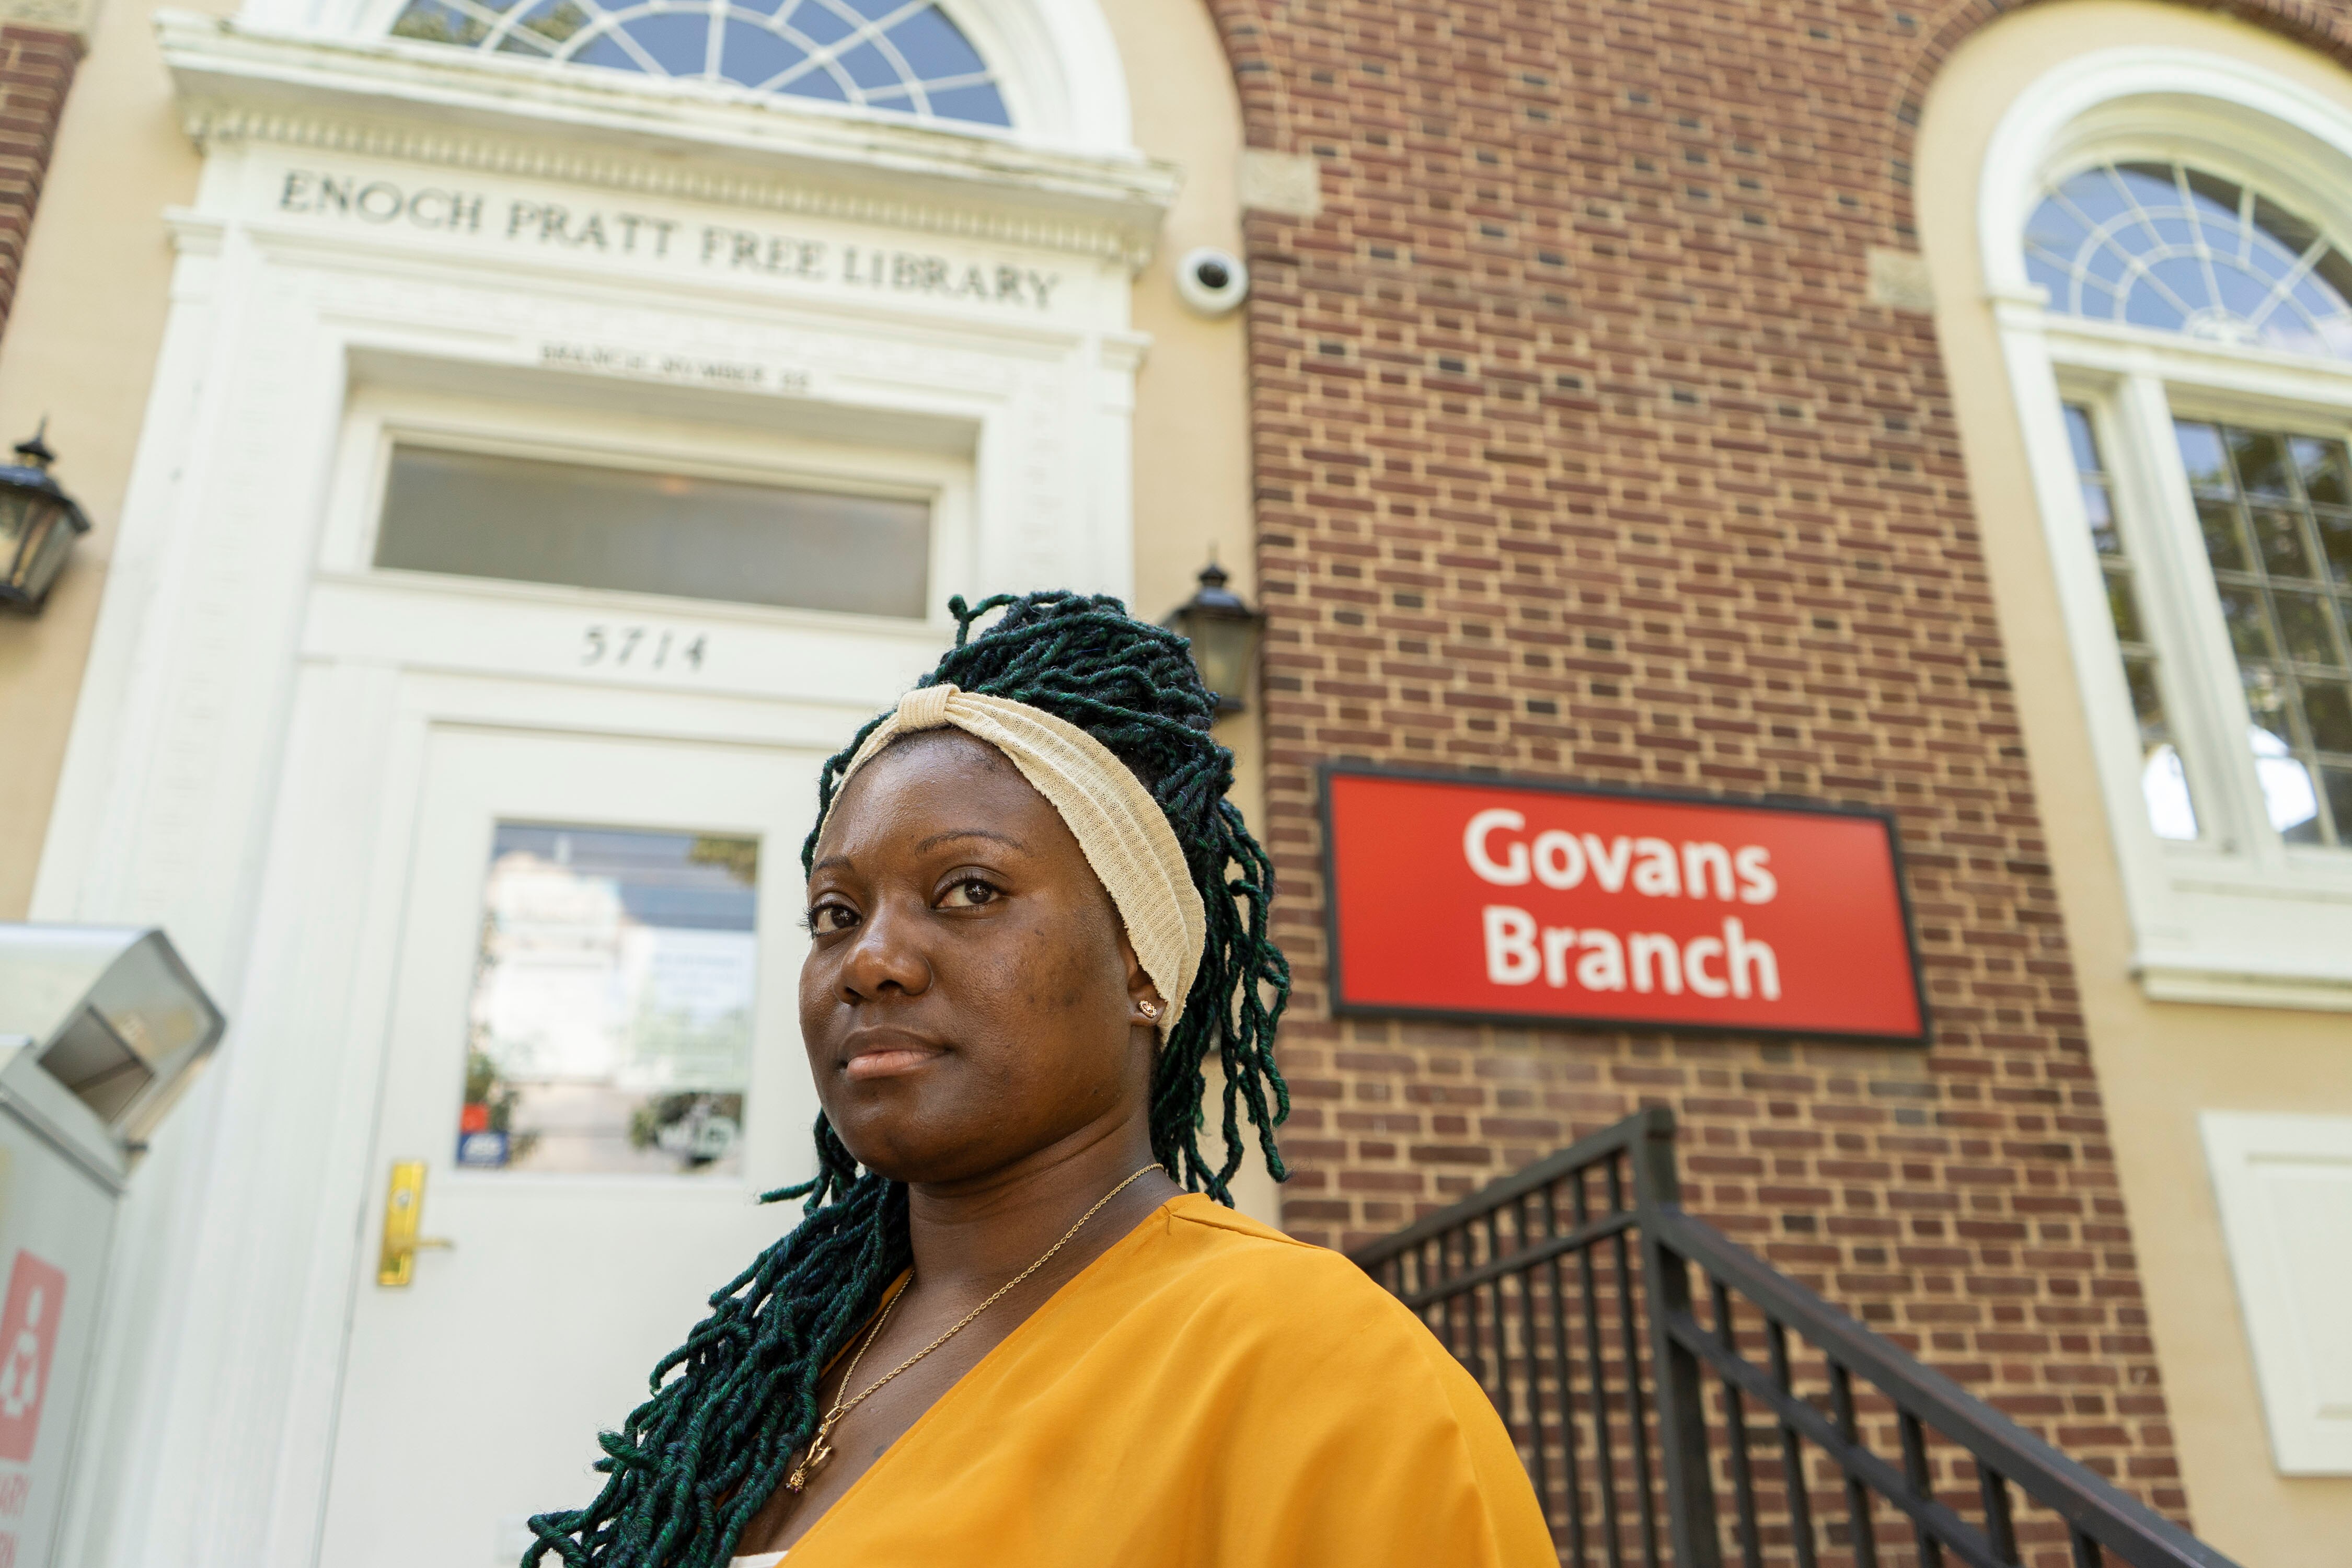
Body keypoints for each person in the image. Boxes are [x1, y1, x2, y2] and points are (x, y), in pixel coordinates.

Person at [525, 591, 1554, 1567]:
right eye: (835, 914)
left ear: (1142, 964)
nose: (871, 959)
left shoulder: (1313, 1362)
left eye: (968, 890)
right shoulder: (794, 1354)